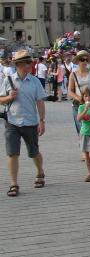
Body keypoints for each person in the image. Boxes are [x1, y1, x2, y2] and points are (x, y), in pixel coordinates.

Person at [1, 50, 47, 196]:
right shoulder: (8, 80)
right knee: (12, 153)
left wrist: (42, 121)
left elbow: (40, 102)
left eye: (30, 62)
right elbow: (0, 99)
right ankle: (14, 184)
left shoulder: (35, 81)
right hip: (12, 122)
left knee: (34, 152)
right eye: (27, 62)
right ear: (19, 64)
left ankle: (40, 172)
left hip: (30, 122)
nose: (30, 64)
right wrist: (8, 97)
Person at [68, 51, 90, 133]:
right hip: (78, 105)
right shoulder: (73, 74)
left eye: (86, 60)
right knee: (81, 129)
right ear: (78, 61)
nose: (85, 62)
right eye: (83, 59)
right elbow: (70, 91)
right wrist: (79, 98)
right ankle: (82, 145)